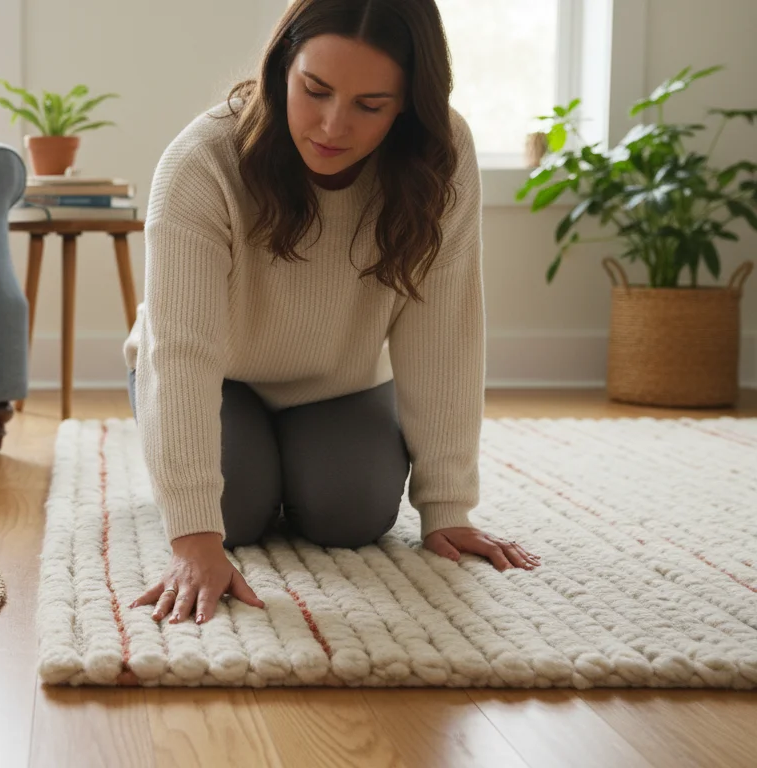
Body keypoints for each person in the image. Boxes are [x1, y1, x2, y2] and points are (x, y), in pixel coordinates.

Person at [125, 0, 542, 628]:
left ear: (408, 103)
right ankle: (247, 469)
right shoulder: (200, 163)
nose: (331, 125)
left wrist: (448, 507)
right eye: (314, 90)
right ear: (281, 65)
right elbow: (181, 353)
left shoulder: (442, 156)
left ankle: (287, 462)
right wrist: (193, 538)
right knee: (229, 515)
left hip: (340, 382)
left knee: (353, 515)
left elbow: (444, 332)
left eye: (370, 105)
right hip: (217, 375)